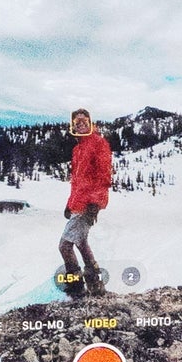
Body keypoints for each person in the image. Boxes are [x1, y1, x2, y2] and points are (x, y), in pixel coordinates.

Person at [58, 108, 112, 297]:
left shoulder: (99, 143)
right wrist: (69, 204)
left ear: (90, 123)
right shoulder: (78, 148)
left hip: (89, 204)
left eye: (84, 121)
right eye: (77, 122)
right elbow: (77, 182)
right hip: (78, 203)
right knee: (81, 242)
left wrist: (95, 204)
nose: (80, 124)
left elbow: (103, 176)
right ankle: (95, 284)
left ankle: (77, 287)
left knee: (64, 246)